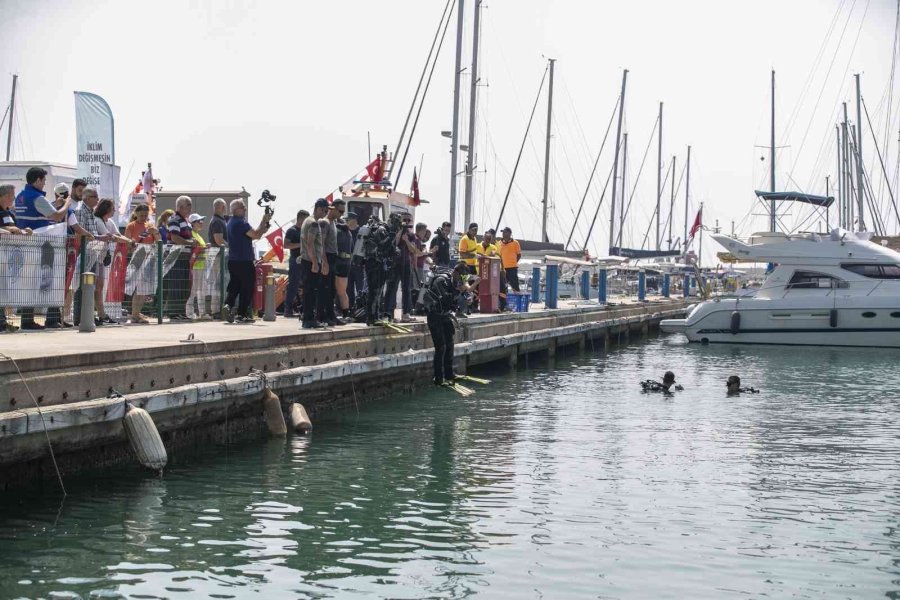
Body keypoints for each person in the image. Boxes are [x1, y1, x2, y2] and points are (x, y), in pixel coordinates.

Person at [13, 167, 71, 330]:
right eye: (44, 180)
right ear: (37, 180)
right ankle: (42, 320)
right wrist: (67, 203)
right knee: (46, 280)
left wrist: (54, 204)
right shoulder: (37, 197)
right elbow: (57, 216)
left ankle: (26, 320)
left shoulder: (21, 196)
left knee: (28, 282)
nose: (45, 184)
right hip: (40, 245)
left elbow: (37, 212)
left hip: (25, 244)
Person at [222, 198, 271, 323]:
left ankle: (228, 305)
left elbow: (257, 234)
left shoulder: (231, 222)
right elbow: (255, 234)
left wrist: (263, 227)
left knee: (235, 285)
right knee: (247, 287)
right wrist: (263, 221)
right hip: (244, 260)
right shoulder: (240, 222)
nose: (245, 209)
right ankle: (242, 314)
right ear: (235, 209)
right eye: (243, 207)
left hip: (233, 260)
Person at [94, 199, 135, 325]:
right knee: (95, 287)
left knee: (99, 287)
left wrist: (129, 240)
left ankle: (101, 314)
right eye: (113, 208)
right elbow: (110, 236)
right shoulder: (98, 220)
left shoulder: (109, 221)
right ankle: (97, 313)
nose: (115, 210)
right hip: (93, 257)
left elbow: (117, 235)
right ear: (106, 209)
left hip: (100, 258)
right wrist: (128, 241)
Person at [124, 204, 160, 323]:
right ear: (136, 214)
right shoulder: (131, 226)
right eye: (141, 215)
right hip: (137, 259)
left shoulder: (150, 225)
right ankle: (135, 314)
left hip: (149, 260)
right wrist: (133, 244)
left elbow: (159, 242)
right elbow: (127, 243)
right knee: (137, 288)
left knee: (144, 289)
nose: (144, 218)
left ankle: (136, 313)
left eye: (146, 215)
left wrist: (156, 232)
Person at [0, 183, 29, 332]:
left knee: (3, 289)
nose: (14, 198)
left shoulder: (9, 213)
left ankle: (2, 322)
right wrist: (9, 229)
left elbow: (14, 228)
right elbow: (8, 229)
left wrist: (24, 231)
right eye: (12, 195)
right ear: (5, 196)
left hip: (7, 257)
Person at [165, 196, 196, 321]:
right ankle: (173, 312)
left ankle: (180, 311)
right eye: (188, 204)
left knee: (183, 284)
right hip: (176, 257)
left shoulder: (186, 220)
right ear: (180, 207)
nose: (190, 207)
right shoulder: (175, 219)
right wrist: (190, 243)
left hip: (184, 257)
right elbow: (174, 238)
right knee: (176, 284)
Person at [299, 199, 329, 329]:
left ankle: (308, 317)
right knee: (310, 291)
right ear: (318, 208)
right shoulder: (313, 224)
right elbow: (310, 243)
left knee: (310, 290)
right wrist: (315, 262)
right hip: (310, 260)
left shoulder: (309, 221)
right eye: (324, 210)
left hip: (308, 259)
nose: (325, 213)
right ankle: (308, 318)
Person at [317, 200, 342, 326]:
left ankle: (331, 314)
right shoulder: (324, 222)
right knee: (324, 289)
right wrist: (324, 262)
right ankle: (322, 316)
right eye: (340, 211)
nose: (341, 214)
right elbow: (321, 243)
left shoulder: (334, 223)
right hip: (327, 257)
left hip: (334, 257)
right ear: (333, 209)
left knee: (331, 289)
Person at [282, 209, 308, 318]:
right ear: (301, 218)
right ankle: (288, 309)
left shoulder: (306, 231)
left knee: (306, 285)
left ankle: (304, 308)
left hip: (306, 259)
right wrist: (301, 244)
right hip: (295, 259)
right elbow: (286, 245)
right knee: (293, 285)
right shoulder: (292, 230)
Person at [205, 198, 229, 317]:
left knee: (219, 283)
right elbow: (219, 240)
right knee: (218, 284)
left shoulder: (219, 220)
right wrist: (231, 247)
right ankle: (216, 310)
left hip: (218, 255)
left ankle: (218, 309)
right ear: (223, 207)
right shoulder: (218, 222)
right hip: (218, 256)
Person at [186, 213, 209, 319]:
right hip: (195, 266)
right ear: (193, 224)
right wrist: (204, 248)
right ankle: (189, 313)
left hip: (201, 266)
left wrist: (205, 247)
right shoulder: (191, 234)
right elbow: (194, 249)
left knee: (201, 291)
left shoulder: (197, 235)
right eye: (199, 221)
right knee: (194, 290)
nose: (202, 223)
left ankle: (202, 313)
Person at [334, 205, 354, 320]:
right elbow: (351, 248)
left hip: (338, 262)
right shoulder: (349, 233)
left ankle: (340, 312)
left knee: (336, 290)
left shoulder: (337, 230)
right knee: (342, 291)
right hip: (346, 262)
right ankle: (346, 313)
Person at [346, 211, 364, 307]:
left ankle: (360, 307)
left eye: (348, 219)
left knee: (360, 287)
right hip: (347, 263)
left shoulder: (361, 231)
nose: (347, 221)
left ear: (354, 220)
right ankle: (350, 307)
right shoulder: (345, 231)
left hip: (358, 263)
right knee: (348, 288)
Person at [499, 227, 522, 292]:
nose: (503, 234)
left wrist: (514, 262)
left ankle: (518, 300)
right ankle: (504, 301)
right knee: (503, 287)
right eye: (502, 232)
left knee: (515, 286)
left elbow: (519, 255)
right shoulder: (499, 243)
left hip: (512, 268)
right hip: (502, 269)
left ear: (510, 234)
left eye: (505, 232)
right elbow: (499, 256)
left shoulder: (515, 243)